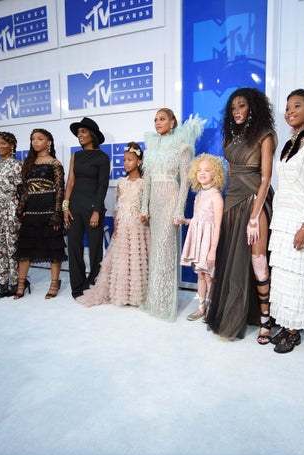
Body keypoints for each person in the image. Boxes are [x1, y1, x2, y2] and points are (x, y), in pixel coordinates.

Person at [206, 88, 276, 341]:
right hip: (232, 202)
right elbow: (233, 175)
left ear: (252, 108)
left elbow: (266, 178)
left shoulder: (265, 136)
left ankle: (266, 320)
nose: (237, 111)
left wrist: (255, 216)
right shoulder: (229, 140)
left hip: (255, 201)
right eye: (233, 107)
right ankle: (236, 312)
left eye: (242, 106)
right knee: (233, 261)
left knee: (258, 262)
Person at [268, 89, 304, 353]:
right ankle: (286, 320)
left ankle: (294, 330)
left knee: (298, 275)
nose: (291, 110)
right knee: (282, 274)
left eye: (297, 106)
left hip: (299, 221)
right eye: (288, 106)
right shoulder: (289, 145)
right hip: (282, 219)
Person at [140, 108, 204, 321]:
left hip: (170, 198)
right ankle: (154, 300)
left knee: (165, 250)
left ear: (173, 122)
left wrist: (179, 209)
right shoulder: (151, 146)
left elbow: (185, 180)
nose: (158, 122)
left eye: (162, 119)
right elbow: (147, 179)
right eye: (155, 119)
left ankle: (165, 304)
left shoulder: (182, 146)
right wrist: (144, 207)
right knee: (155, 251)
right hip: (154, 202)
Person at [79, 142, 150, 307]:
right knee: (122, 260)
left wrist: (145, 216)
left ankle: (135, 295)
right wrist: (116, 227)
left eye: (130, 160)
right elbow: (118, 205)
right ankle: (121, 293)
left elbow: (147, 205)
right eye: (124, 160)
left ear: (139, 161)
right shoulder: (121, 182)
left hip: (138, 227)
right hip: (123, 225)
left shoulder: (144, 182)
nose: (126, 163)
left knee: (137, 260)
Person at [13, 128, 67, 299]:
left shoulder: (55, 164)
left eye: (39, 138)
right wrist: (20, 210)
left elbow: (60, 190)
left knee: (54, 249)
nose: (35, 142)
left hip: (49, 210)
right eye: (32, 139)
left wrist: (57, 214)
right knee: (24, 249)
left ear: (48, 142)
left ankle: (54, 283)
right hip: (31, 212)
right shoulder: (28, 163)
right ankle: (21, 284)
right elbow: (25, 191)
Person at [63, 117, 111, 298]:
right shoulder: (76, 155)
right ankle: (77, 286)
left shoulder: (102, 157)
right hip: (74, 206)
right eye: (78, 133)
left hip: (93, 208)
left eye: (83, 132)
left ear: (92, 134)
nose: (79, 135)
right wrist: (65, 207)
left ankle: (93, 284)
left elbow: (103, 186)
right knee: (74, 246)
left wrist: (97, 211)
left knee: (95, 249)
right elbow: (70, 183)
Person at [179, 153, 225, 321]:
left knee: (209, 275)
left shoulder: (216, 196)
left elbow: (217, 224)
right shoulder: (199, 195)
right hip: (199, 240)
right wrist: (185, 220)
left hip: (209, 242)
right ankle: (201, 308)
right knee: (200, 274)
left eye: (207, 170)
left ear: (216, 173)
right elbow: (199, 220)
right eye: (199, 170)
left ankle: (212, 308)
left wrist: (213, 250)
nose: (202, 173)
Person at [0, 130, 22, 297]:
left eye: (3, 143)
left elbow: (22, 190)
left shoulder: (17, 164)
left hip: (12, 207)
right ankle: (2, 281)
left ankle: (15, 281)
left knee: (12, 244)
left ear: (11, 145)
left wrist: (19, 211)